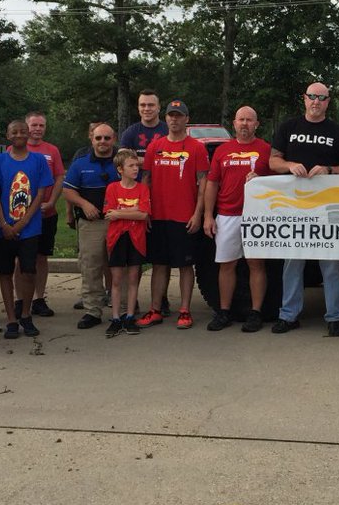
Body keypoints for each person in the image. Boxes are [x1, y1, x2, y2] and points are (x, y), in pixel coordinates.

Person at [269, 82, 339, 336]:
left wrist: (329, 169)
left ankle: (334, 317)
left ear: (328, 101)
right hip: (295, 208)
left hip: (328, 209)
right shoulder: (289, 127)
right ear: (304, 99)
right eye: (312, 97)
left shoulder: (337, 132)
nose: (316, 101)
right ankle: (288, 315)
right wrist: (289, 165)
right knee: (293, 262)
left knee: (330, 263)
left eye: (321, 97)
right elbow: (273, 160)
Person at [139, 99, 209, 329]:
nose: (174, 119)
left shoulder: (196, 147)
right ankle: (155, 309)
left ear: (186, 119)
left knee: (185, 265)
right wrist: (145, 210)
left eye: (179, 115)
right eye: (171, 115)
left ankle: (185, 310)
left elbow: (203, 184)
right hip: (159, 216)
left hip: (184, 217)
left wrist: (198, 214)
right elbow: (145, 181)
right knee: (159, 264)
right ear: (166, 118)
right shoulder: (154, 146)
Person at [203, 105, 271, 332]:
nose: (245, 124)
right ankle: (224, 312)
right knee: (227, 265)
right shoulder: (223, 151)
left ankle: (256, 312)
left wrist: (260, 179)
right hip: (227, 214)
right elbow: (212, 183)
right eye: (241, 120)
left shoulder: (266, 150)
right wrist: (207, 216)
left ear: (257, 124)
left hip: (256, 217)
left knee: (256, 264)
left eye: (249, 120)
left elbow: (279, 182)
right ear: (234, 123)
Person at [0, 119, 53, 339]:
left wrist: (23, 222)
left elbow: (41, 193)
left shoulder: (38, 161)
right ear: (7, 135)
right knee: (5, 273)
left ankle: (26, 314)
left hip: (30, 228)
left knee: (28, 271)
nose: (19, 134)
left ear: (28, 135)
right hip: (3, 229)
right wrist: (3, 223)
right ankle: (11, 319)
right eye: (14, 131)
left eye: (23, 131)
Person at [63, 123, 119, 328]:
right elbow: (68, 191)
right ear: (91, 139)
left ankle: (121, 308)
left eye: (107, 138)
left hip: (118, 222)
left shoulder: (122, 163)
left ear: (114, 139)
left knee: (119, 265)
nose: (102, 142)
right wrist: (84, 204)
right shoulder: (80, 164)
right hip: (91, 223)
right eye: (98, 138)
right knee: (91, 266)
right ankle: (93, 310)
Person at [103, 149, 150, 337]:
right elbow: (109, 214)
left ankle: (130, 316)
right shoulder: (112, 188)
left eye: (137, 165)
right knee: (116, 280)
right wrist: (134, 211)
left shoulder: (142, 189)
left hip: (136, 239)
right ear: (120, 169)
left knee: (132, 279)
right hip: (117, 238)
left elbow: (144, 214)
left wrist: (120, 213)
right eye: (131, 166)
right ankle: (116, 317)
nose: (135, 169)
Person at [24, 111, 64, 318]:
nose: (37, 129)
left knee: (41, 258)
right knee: (20, 259)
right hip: (22, 216)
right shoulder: (16, 149)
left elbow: (59, 178)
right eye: (34, 125)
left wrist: (51, 202)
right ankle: (21, 299)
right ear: (26, 127)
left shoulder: (52, 150)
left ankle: (39, 298)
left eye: (41, 125)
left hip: (46, 214)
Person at [119, 90, 169, 156]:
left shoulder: (168, 131)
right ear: (138, 107)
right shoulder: (130, 132)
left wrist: (136, 158)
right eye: (142, 105)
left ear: (159, 107)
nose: (146, 109)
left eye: (151, 105)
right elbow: (123, 159)